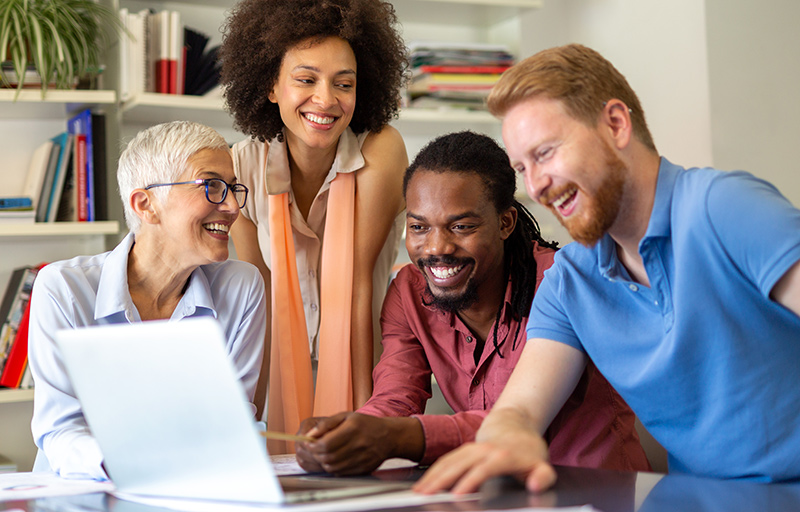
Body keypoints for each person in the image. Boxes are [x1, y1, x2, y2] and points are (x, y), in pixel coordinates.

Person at [415, 43, 800, 495]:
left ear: (616, 124)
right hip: (701, 500)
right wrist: (508, 440)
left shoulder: (723, 207)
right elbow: (519, 412)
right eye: (523, 167)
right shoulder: (570, 281)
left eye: (546, 153)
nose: (536, 186)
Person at [293, 131, 650, 476]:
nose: (436, 248)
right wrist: (349, 433)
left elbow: (521, 421)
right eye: (419, 228)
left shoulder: (564, 283)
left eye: (461, 227)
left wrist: (396, 437)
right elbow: (396, 399)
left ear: (505, 222)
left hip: (594, 491)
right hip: (492, 493)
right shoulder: (409, 292)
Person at [28, 121, 266, 480]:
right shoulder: (63, 288)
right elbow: (60, 432)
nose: (233, 206)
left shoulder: (242, 287)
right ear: (146, 204)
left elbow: (232, 421)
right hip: (84, 492)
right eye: (213, 186)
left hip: (193, 488)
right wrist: (131, 462)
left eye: (233, 188)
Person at [219, 0, 408, 448]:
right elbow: (257, 300)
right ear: (271, 86)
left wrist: (368, 420)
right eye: (306, 79)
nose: (326, 99)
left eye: (344, 83)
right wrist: (251, 422)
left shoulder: (380, 150)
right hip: (284, 373)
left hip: (368, 371)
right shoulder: (242, 165)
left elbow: (358, 286)